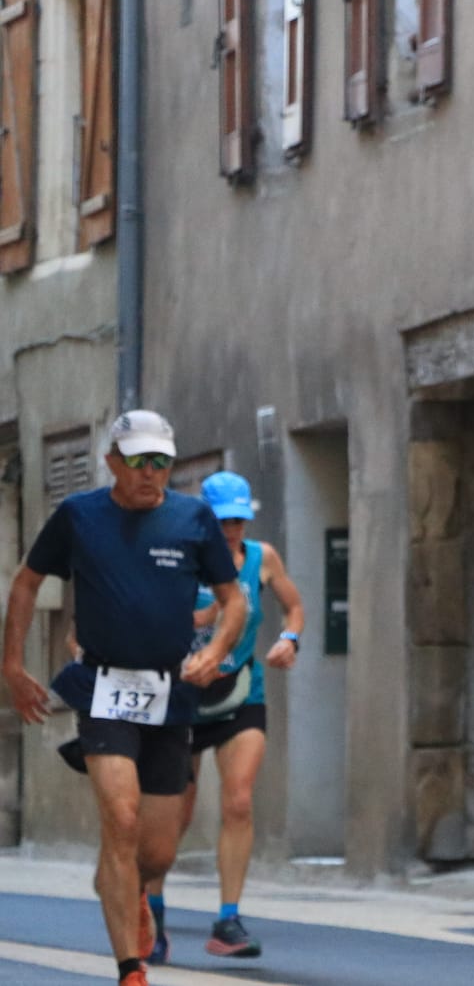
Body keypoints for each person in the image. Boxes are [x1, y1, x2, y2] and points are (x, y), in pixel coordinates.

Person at [1, 410, 244, 986]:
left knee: (156, 852)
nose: (149, 472)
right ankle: (130, 969)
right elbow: (27, 581)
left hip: (172, 693)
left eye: (160, 461)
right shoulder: (79, 516)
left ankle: (130, 886)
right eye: (137, 460)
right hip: (104, 688)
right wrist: (12, 665)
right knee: (123, 818)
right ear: (113, 462)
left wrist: (215, 652)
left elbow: (234, 602)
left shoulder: (193, 519)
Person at [138, 470, 306, 964]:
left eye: (240, 520)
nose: (232, 530)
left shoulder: (262, 558)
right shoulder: (177, 557)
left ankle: (228, 919)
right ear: (205, 518)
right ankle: (153, 912)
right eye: (224, 520)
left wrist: (288, 640)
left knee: (238, 801)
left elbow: (294, 608)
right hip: (184, 698)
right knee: (175, 814)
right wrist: (205, 618)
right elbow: (147, 615)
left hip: (240, 694)